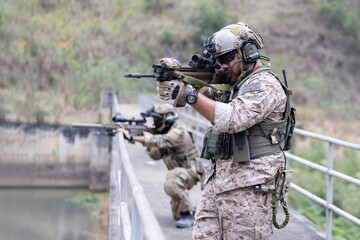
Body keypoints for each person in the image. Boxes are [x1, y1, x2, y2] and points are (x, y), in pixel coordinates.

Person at [156, 22, 295, 239]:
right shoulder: (236, 85)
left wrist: (190, 94)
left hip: (250, 190)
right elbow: (209, 100)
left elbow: (232, 118)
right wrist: (177, 80)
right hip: (219, 184)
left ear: (247, 52)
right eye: (217, 60)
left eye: (226, 59)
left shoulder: (264, 85)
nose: (221, 66)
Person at [118, 102, 204, 228]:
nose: (155, 121)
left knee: (171, 181)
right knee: (176, 214)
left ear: (168, 118)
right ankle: (196, 212)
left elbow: (162, 140)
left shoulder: (179, 132)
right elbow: (156, 155)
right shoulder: (165, 132)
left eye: (158, 118)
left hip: (191, 171)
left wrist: (133, 138)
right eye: (154, 118)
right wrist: (144, 141)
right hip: (179, 173)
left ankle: (189, 214)